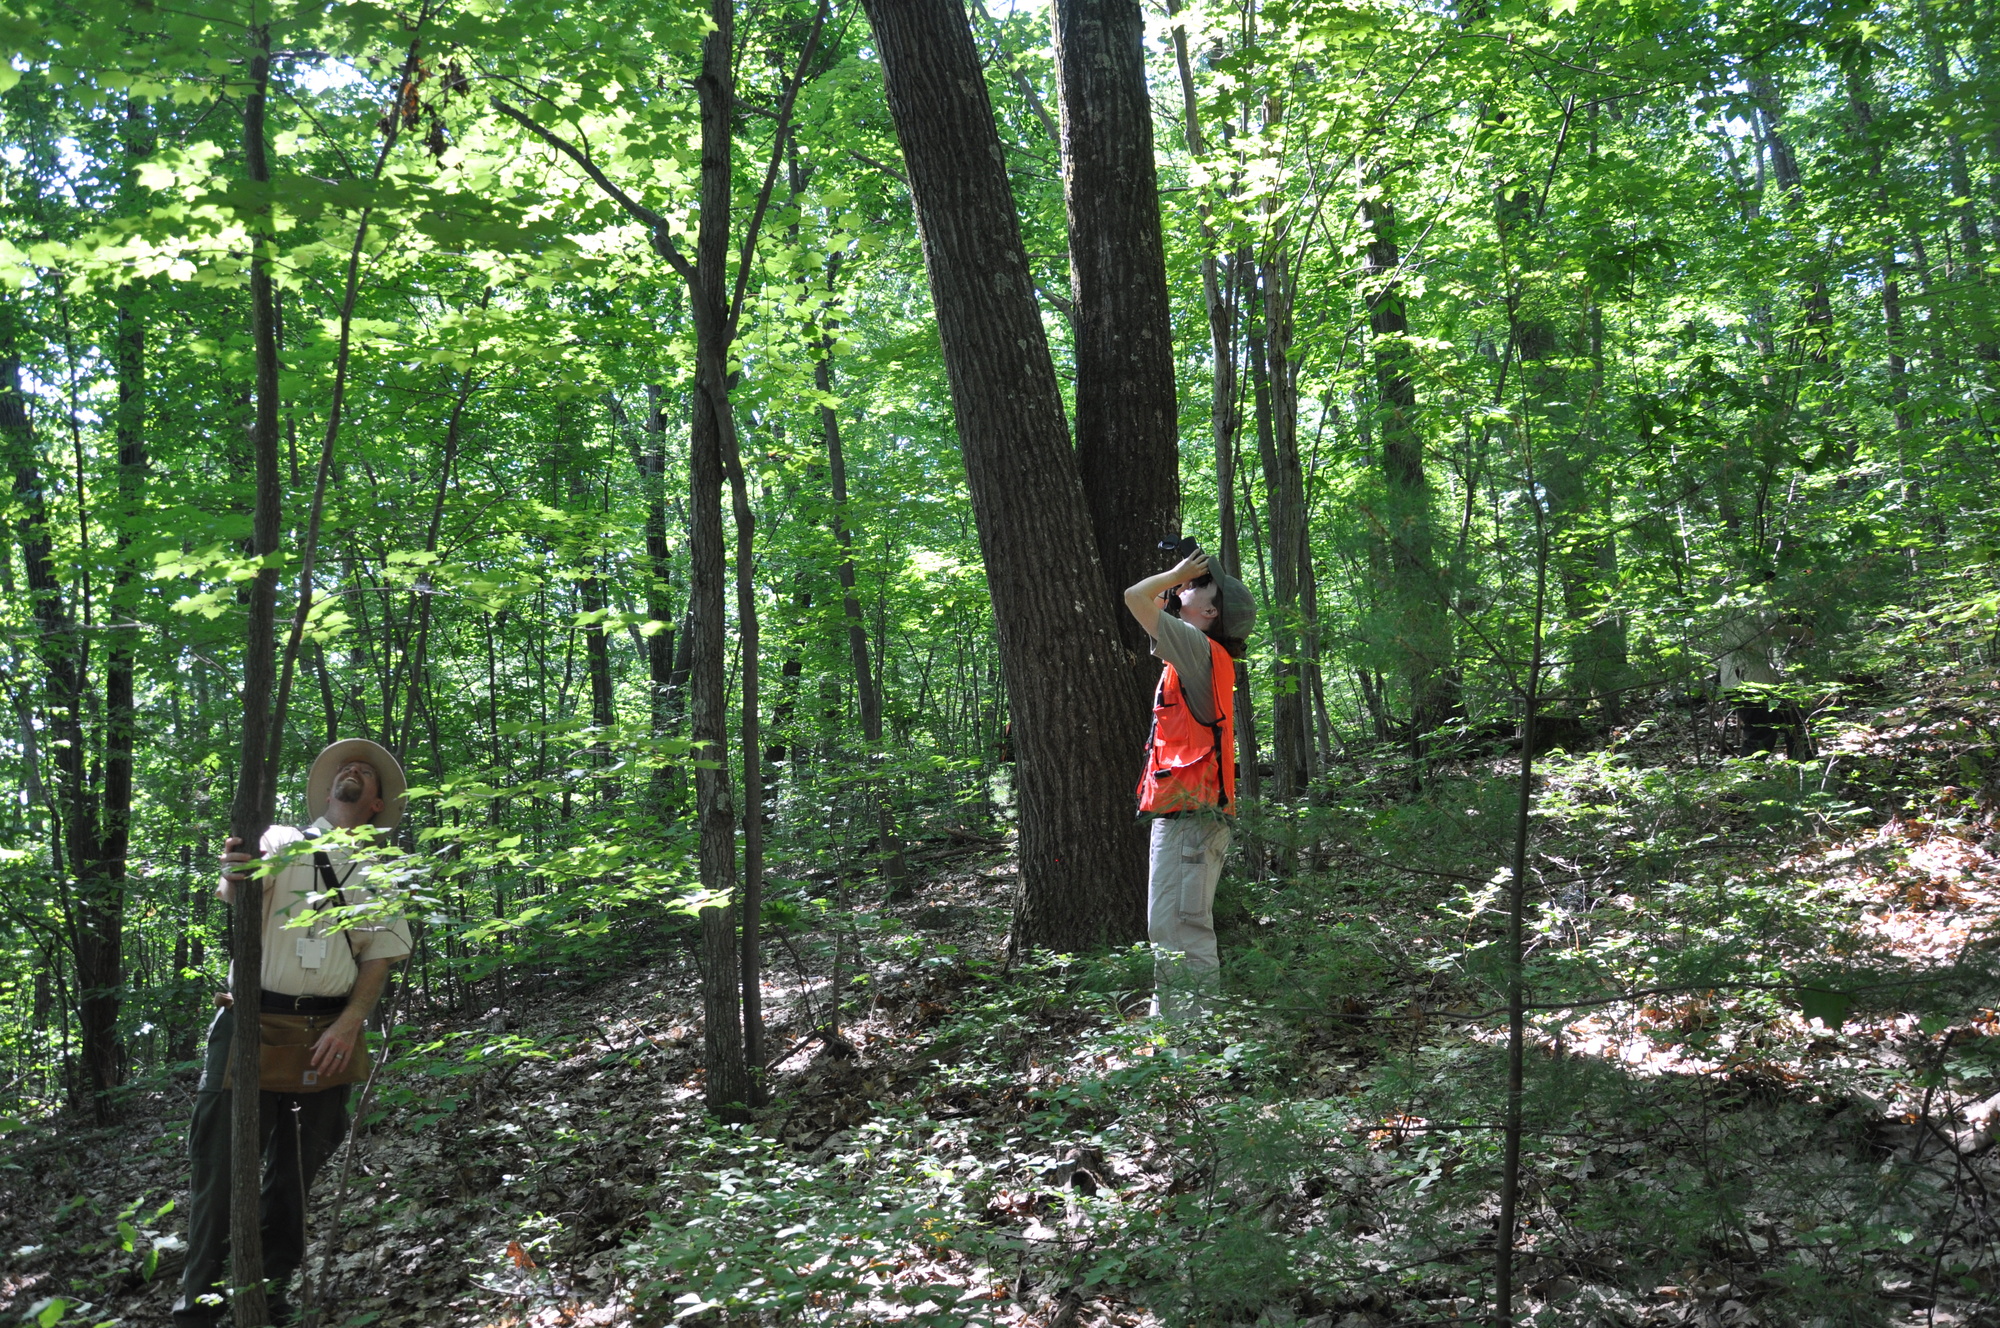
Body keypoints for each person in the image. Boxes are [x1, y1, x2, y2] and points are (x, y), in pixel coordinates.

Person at [174, 739, 414, 1327]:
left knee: (296, 1178)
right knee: (221, 1169)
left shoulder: (382, 869)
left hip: (325, 1034)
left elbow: (379, 959)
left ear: (378, 802)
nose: (352, 771)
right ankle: (196, 1307)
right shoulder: (280, 838)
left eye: (365, 772)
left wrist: (348, 1026)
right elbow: (240, 890)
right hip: (251, 1025)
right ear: (329, 789)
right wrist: (233, 875)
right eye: (344, 768)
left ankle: (269, 1295)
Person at [1123, 548, 1256, 1020]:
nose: (1187, 584)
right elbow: (1150, 607)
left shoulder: (1199, 649)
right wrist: (1175, 590)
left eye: (1198, 583)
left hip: (1194, 816)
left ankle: (1192, 1048)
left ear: (1210, 612)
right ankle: (1176, 1037)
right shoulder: (1198, 651)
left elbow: (1135, 597)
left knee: (1182, 931)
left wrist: (1172, 575)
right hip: (1188, 814)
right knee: (1172, 930)